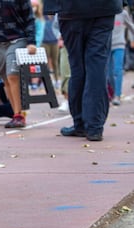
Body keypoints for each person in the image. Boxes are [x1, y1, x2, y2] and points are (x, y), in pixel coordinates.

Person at [44, 0, 123, 141]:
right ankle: (94, 127)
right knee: (96, 67)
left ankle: (80, 124)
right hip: (104, 8)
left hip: (71, 10)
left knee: (77, 67)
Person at [0, 0, 37, 128]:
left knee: (13, 75)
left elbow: (30, 19)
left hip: (17, 39)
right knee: (5, 78)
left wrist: (31, 41)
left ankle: (18, 115)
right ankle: (16, 112)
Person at [108, 7, 134, 106]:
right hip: (107, 46)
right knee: (108, 73)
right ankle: (112, 93)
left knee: (117, 70)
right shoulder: (105, 10)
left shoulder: (123, 13)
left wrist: (132, 39)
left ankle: (117, 95)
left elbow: (131, 26)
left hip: (119, 45)